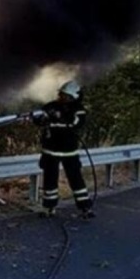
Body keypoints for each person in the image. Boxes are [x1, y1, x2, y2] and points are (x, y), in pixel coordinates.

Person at [22, 80, 94, 219]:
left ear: (74, 96)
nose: (62, 97)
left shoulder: (79, 110)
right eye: (61, 94)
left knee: (76, 179)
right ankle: (49, 208)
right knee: (49, 180)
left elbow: (73, 125)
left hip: (69, 151)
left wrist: (54, 120)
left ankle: (85, 207)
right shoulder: (51, 106)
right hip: (50, 150)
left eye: (66, 95)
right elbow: (40, 121)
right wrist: (35, 118)